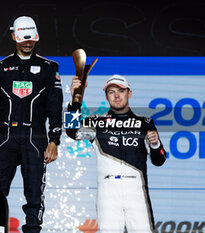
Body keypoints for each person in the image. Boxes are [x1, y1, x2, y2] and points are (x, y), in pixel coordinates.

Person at [0, 16, 63, 233]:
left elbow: (55, 107)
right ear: (13, 37)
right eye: (23, 39)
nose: (27, 43)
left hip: (34, 138)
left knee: (35, 194)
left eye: (31, 39)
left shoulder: (48, 68)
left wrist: (55, 140)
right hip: (4, 137)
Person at [66, 75, 167, 232]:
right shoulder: (96, 122)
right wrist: (75, 101)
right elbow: (72, 132)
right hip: (108, 191)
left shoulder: (145, 122)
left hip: (136, 189)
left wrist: (155, 144)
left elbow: (159, 160)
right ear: (106, 97)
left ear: (129, 93)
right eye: (111, 92)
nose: (117, 96)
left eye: (121, 91)